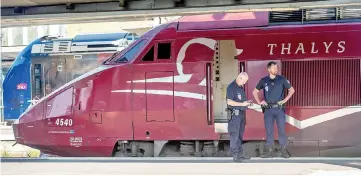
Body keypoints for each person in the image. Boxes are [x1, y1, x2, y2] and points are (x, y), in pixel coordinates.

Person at [252, 61, 295, 158]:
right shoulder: (264, 80)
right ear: (269, 69)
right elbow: (254, 92)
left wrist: (285, 100)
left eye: (277, 68)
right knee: (269, 131)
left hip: (279, 109)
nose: (276, 69)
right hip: (268, 110)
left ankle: (283, 150)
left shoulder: (282, 79)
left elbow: (292, 90)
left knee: (282, 131)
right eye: (274, 68)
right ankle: (270, 151)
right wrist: (259, 102)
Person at [226, 72, 253, 162]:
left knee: (240, 135)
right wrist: (242, 104)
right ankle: (235, 155)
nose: (245, 83)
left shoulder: (240, 88)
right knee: (235, 135)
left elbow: (242, 101)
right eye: (244, 81)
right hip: (235, 116)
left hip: (241, 115)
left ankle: (240, 153)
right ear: (240, 78)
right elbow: (229, 102)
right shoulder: (231, 87)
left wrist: (247, 102)